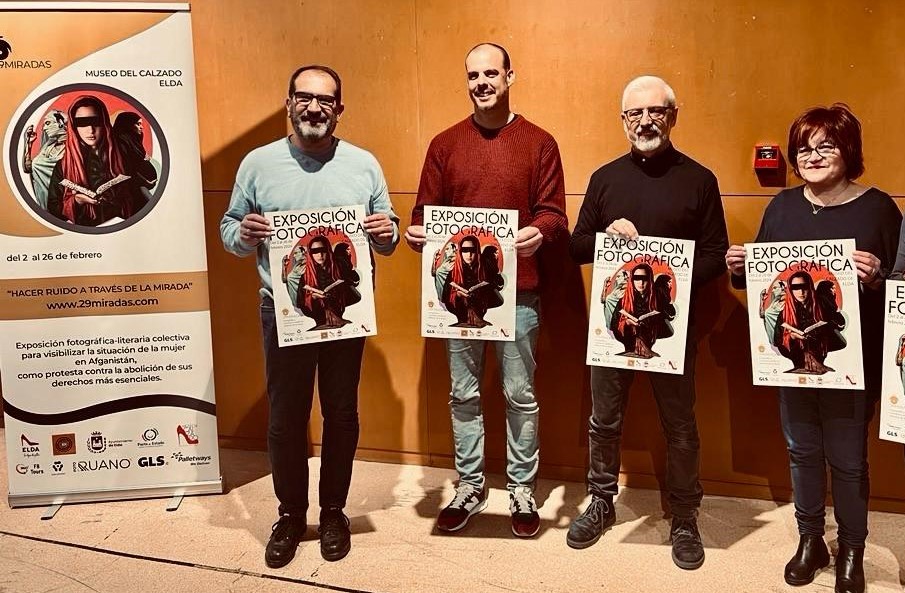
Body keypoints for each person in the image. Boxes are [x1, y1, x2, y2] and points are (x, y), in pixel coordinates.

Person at [220, 64, 399, 568]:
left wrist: (387, 232)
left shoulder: (364, 164)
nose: (314, 107)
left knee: (342, 415)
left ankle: (334, 512)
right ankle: (291, 515)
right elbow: (229, 229)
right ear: (289, 103)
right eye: (304, 97)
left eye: (325, 100)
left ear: (339, 109)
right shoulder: (257, 163)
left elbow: (387, 234)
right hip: (282, 312)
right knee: (286, 418)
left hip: (347, 316)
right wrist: (244, 234)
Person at [726, 103, 900, 593]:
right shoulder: (781, 207)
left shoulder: (879, 208)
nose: (813, 155)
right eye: (803, 148)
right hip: (790, 361)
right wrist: (741, 267)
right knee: (801, 450)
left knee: (848, 458)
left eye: (826, 145)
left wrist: (878, 275)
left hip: (852, 362)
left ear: (849, 150)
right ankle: (810, 540)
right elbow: (765, 283)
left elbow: (900, 288)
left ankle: (852, 548)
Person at [405, 43, 567, 538]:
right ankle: (470, 485)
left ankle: (521, 487)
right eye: (473, 75)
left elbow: (555, 214)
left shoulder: (540, 142)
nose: (482, 83)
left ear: (510, 76)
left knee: (519, 394)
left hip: (518, 293)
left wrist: (539, 231)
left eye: (491, 73)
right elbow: (422, 215)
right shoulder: (444, 144)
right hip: (457, 299)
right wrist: (417, 235)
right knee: (463, 394)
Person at [568, 75, 729, 569]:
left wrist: (671, 270)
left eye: (655, 111)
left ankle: (684, 515)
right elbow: (576, 246)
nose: (644, 121)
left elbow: (717, 254)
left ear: (673, 116)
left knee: (680, 425)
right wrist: (605, 237)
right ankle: (601, 501)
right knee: (603, 420)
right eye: (634, 113)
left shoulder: (700, 180)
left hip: (670, 330)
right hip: (613, 328)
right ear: (623, 120)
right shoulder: (604, 178)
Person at [46, 95, 148, 226]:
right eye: (82, 123)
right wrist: (76, 200)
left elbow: (140, 197)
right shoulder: (63, 166)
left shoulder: (124, 157)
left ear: (104, 123)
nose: (91, 130)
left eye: (96, 121)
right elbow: (53, 209)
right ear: (74, 127)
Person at [771, 271, 843, 374]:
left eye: (804, 287)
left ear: (810, 287)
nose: (801, 292)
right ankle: (802, 364)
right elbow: (777, 341)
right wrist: (791, 337)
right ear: (790, 290)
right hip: (796, 352)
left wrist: (825, 326)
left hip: (821, 347)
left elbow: (840, 323)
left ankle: (817, 363)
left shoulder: (822, 304)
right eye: (796, 288)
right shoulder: (784, 313)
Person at [297, 234, 361, 329]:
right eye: (315, 251)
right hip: (319, 319)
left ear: (328, 250)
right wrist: (313, 297)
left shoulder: (339, 266)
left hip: (340, 312)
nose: (320, 255)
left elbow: (355, 281)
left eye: (323, 250)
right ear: (310, 254)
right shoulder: (305, 276)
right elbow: (300, 303)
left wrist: (347, 275)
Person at [440, 234, 504, 327]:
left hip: (481, 303)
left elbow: (499, 285)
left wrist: (492, 275)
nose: (469, 255)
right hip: (459, 306)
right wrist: (457, 294)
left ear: (477, 251)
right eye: (465, 250)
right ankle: (463, 319)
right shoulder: (454, 271)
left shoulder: (484, 266)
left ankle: (478, 318)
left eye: (472, 250)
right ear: (460, 252)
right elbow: (445, 296)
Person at [22, 109, 66, 209]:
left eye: (48, 123)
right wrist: (28, 143)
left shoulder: (73, 148)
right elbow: (28, 168)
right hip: (42, 203)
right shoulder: (48, 146)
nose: (45, 128)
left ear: (60, 123)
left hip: (59, 204)